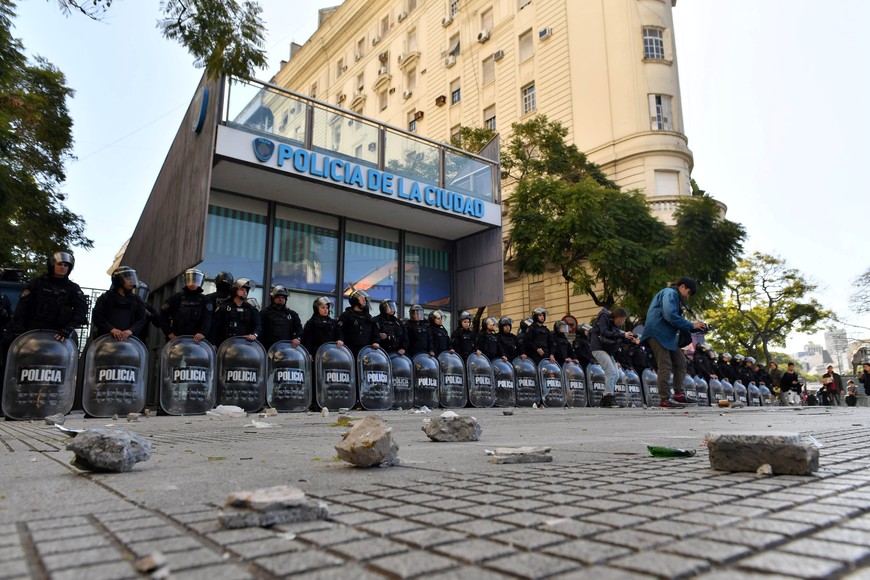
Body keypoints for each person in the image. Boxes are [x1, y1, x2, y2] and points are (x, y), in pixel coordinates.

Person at [639, 277, 707, 409]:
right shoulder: (670, 293)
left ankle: (679, 395)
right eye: (688, 292)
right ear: (682, 286)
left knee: (681, 362)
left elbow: (676, 320)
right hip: (657, 333)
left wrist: (695, 329)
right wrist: (692, 325)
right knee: (665, 365)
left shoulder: (675, 297)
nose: (687, 297)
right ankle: (664, 399)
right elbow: (670, 315)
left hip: (667, 336)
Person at [11, 251, 88, 343]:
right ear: (52, 265)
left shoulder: (73, 288)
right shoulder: (37, 283)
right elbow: (22, 307)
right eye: (59, 264)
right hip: (32, 332)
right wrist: (19, 330)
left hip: (58, 335)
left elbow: (81, 310)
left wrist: (69, 328)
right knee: (9, 343)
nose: (62, 267)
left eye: (66, 265)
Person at [590, 307, 637, 407]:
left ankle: (605, 398)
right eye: (622, 319)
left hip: (607, 350)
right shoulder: (604, 317)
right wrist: (623, 335)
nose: (623, 322)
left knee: (616, 374)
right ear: (617, 317)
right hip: (598, 347)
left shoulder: (616, 326)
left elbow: (617, 338)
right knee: (610, 371)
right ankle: (609, 397)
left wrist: (631, 339)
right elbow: (604, 332)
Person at [90, 267, 147, 341]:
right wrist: (112, 329)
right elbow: (97, 317)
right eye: (128, 279)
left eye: (133, 279)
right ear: (119, 280)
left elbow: (141, 319)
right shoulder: (106, 298)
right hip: (106, 340)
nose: (131, 281)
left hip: (129, 341)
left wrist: (130, 331)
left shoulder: (136, 300)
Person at [159, 268, 212, 343]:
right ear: (185, 280)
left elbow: (207, 319)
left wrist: (202, 333)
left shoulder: (205, 300)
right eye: (190, 280)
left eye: (196, 280)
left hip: (196, 340)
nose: (193, 283)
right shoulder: (175, 298)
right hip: (176, 338)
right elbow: (163, 316)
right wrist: (169, 333)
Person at [210, 278, 261, 345]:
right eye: (242, 290)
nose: (245, 292)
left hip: (245, 344)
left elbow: (258, 324)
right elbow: (214, 327)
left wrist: (254, 335)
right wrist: (213, 344)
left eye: (246, 290)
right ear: (235, 290)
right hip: (225, 345)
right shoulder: (224, 307)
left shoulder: (250, 308)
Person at [337, 290, 379, 358]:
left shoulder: (368, 317)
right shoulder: (346, 315)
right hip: (348, 350)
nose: (364, 300)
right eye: (361, 298)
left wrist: (376, 341)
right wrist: (340, 339)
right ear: (355, 300)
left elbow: (375, 331)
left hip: (365, 351)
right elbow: (339, 329)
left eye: (365, 298)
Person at [258, 285, 302, 350]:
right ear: (273, 298)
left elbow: (299, 329)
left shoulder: (292, 314)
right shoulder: (264, 313)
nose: (281, 299)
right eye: (278, 297)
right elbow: (258, 328)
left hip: (287, 349)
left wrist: (297, 338)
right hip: (267, 348)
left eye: (283, 297)